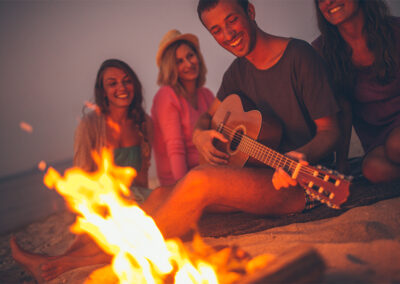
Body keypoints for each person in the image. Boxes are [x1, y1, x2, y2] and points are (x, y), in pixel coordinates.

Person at [142, 0, 341, 239]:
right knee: (158, 196)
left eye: (232, 20)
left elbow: (330, 131)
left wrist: (302, 155)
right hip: (259, 176)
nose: (227, 34)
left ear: (250, 11)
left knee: (199, 180)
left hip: (304, 183)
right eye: (216, 30)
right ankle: (96, 251)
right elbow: (207, 117)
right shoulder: (236, 72)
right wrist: (199, 135)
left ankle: (132, 254)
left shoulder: (300, 56)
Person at [11, 58, 152, 282]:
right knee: (111, 237)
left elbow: (143, 177)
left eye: (126, 81)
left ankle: (58, 262)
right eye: (112, 83)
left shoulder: (144, 122)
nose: (121, 88)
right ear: (103, 91)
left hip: (138, 201)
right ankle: (57, 261)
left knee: (145, 231)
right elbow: (83, 182)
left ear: (134, 84)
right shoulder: (90, 125)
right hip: (104, 204)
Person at [312, 0, 400, 183]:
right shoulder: (322, 51)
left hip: (396, 140)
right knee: (372, 170)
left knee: (396, 145)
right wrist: (342, 165)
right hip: (378, 141)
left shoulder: (395, 30)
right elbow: (342, 108)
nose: (328, 2)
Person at [151, 29, 215, 186]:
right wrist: (185, 190)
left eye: (190, 56)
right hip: (179, 183)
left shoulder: (206, 95)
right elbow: (175, 150)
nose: (188, 63)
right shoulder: (166, 96)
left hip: (209, 172)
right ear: (170, 67)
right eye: (179, 61)